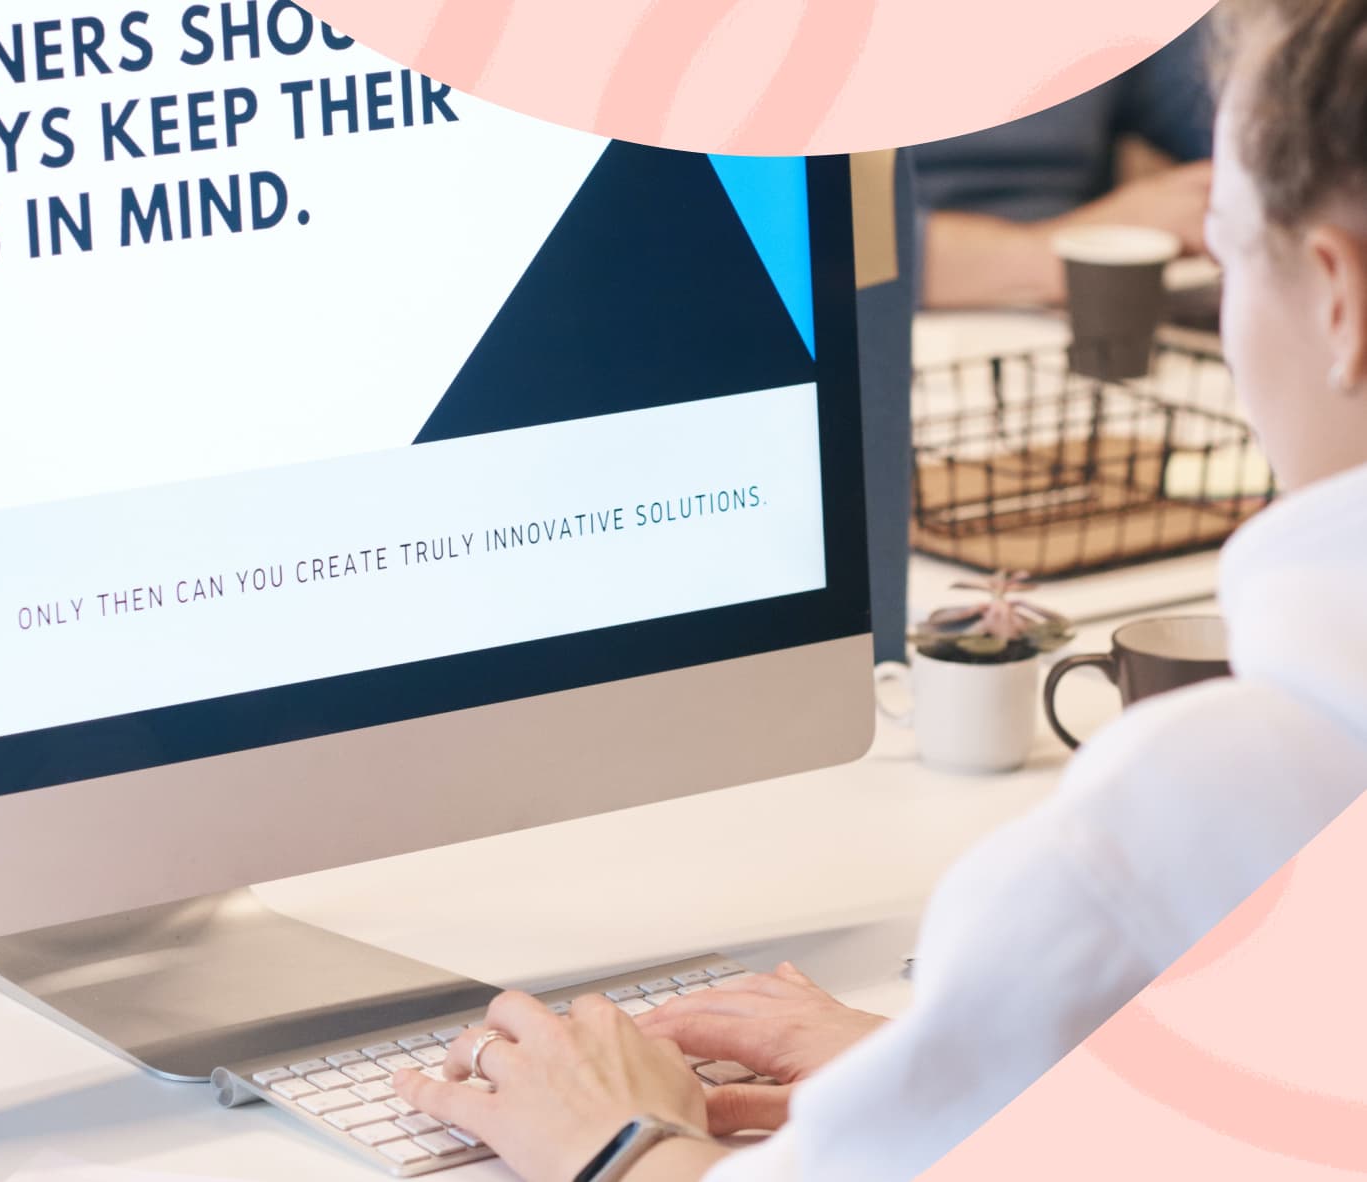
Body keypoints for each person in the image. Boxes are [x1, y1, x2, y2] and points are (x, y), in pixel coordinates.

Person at [392, 5, 1367, 1178]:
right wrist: (956, 1066)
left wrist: (615, 1142)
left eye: (1224, 255)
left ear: (1335, 300)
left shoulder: (1204, 815)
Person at [914, 21, 1214, 308]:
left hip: (1085, 303)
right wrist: (1077, 250)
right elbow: (885, 253)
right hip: (914, 314)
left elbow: (1214, 114)